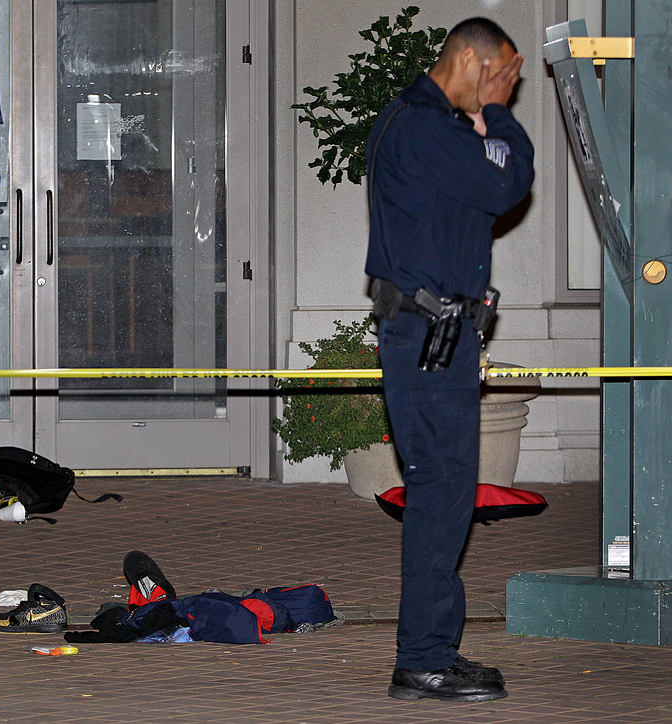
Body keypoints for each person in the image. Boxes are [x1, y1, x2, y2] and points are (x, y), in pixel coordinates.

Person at [364, 17, 535, 702]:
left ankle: (434, 648)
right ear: (469, 58)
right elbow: (507, 184)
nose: (505, 91)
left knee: (448, 496)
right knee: (440, 496)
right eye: (500, 76)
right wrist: (497, 113)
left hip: (440, 337)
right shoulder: (423, 126)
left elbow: (477, 201)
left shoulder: (426, 127)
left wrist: (487, 126)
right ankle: (421, 660)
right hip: (429, 340)